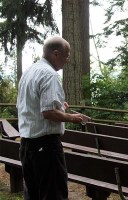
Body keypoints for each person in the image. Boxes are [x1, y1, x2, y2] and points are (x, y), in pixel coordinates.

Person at [16, 36, 86, 200]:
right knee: (53, 194)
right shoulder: (50, 74)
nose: (67, 60)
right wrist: (72, 117)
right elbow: (48, 113)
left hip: (27, 145)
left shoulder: (30, 72)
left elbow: (30, 105)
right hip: (46, 146)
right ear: (56, 54)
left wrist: (60, 107)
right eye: (66, 55)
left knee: (33, 194)